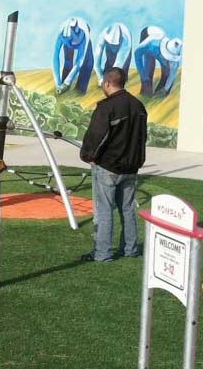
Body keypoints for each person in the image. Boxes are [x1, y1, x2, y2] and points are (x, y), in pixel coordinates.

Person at [79, 67, 148, 263]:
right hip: (131, 167)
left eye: (102, 82)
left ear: (107, 83)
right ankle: (130, 249)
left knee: (104, 209)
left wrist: (88, 156)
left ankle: (102, 253)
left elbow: (96, 136)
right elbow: (142, 137)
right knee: (127, 208)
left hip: (109, 166)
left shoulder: (107, 107)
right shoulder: (139, 106)